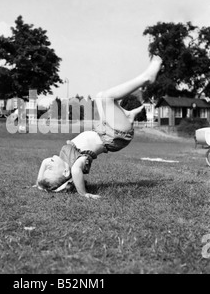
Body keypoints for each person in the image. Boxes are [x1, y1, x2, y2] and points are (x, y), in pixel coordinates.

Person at [34, 55, 163, 199]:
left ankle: (127, 115)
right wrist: (83, 194)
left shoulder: (63, 157)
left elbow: (44, 162)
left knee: (100, 96)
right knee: (106, 98)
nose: (48, 165)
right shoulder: (76, 162)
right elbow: (76, 172)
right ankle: (146, 78)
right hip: (114, 135)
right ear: (65, 172)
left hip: (104, 129)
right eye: (50, 170)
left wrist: (40, 183)